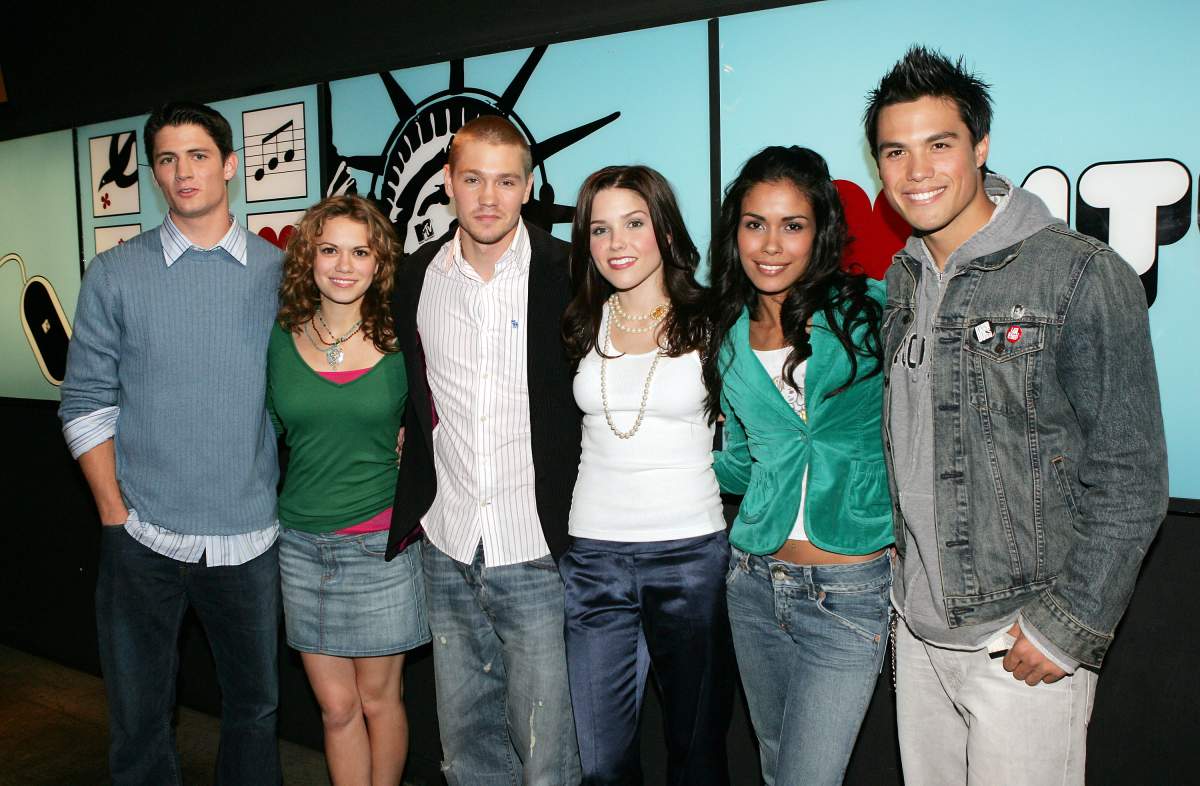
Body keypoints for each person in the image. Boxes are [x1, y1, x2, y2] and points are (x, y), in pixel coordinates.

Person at [864, 46, 1168, 785]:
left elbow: (1131, 473)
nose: (918, 171)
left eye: (940, 145)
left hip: (1018, 641)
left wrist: (1066, 629)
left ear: (982, 147)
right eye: (896, 152)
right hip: (920, 631)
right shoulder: (904, 278)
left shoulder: (1079, 272)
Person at [59, 101, 283, 785]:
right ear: (153, 174)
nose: (183, 172)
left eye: (198, 155)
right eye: (167, 159)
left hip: (249, 539)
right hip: (143, 539)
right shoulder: (116, 273)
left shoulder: (281, 275)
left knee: (254, 709)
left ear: (231, 166)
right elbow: (86, 401)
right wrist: (113, 513)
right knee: (137, 717)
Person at [386, 115, 582, 786]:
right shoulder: (414, 278)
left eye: (505, 181)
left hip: (537, 546)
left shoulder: (569, 272)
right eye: (473, 179)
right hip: (448, 543)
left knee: (549, 755)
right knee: (465, 749)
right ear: (448, 182)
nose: (489, 198)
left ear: (528, 186)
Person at [705, 146, 892, 785]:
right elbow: (739, 464)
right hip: (753, 582)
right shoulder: (726, 333)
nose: (771, 244)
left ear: (821, 232)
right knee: (775, 764)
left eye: (793, 225)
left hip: (849, 588)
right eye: (755, 223)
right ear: (735, 231)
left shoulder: (870, 310)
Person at [560, 165, 735, 785]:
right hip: (593, 558)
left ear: (663, 228)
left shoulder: (715, 319)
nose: (617, 244)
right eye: (600, 230)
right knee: (602, 762)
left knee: (696, 752)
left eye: (633, 223)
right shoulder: (582, 321)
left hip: (689, 554)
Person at [267, 195, 429, 785]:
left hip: (379, 546)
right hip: (301, 545)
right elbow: (272, 429)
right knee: (336, 709)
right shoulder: (279, 341)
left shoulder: (403, 340)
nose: (343, 265)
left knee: (380, 701)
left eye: (360, 252)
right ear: (307, 258)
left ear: (379, 262)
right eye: (329, 249)